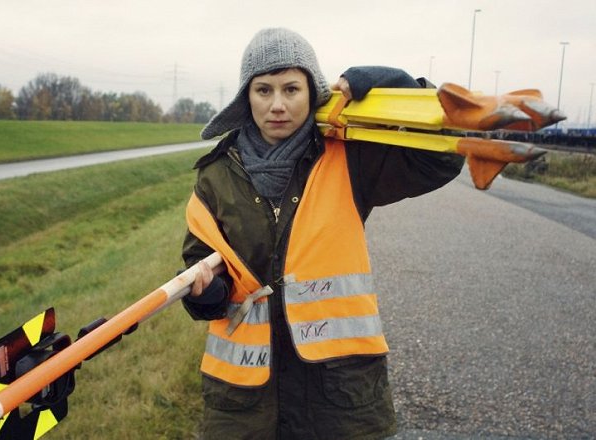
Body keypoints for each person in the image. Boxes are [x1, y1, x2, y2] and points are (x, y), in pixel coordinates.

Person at [181, 27, 464, 439]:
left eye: (291, 89)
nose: (277, 105)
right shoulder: (216, 175)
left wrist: (400, 87)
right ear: (247, 97)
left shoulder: (348, 159)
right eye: (263, 90)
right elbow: (199, 262)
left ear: (313, 92)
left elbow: (439, 160)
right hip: (244, 405)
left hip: (337, 398)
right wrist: (210, 294)